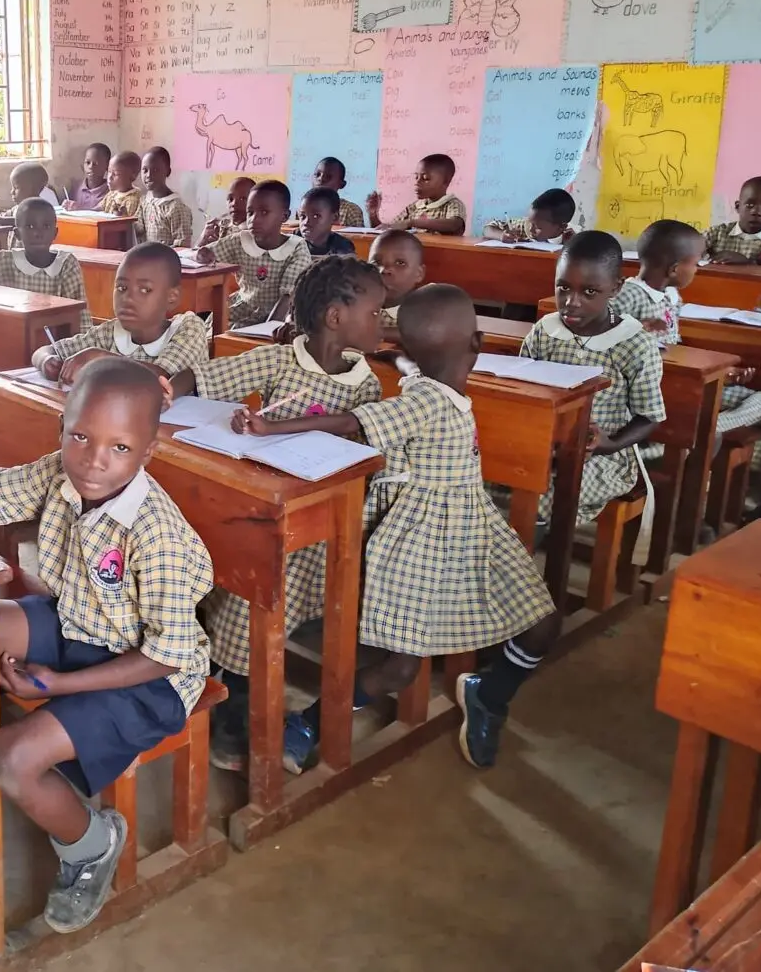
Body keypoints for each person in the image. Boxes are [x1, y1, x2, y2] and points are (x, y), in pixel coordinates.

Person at [0, 357, 213, 933]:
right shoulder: (63, 471)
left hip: (150, 677)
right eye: (80, 435)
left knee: (11, 758)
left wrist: (61, 685)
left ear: (149, 451)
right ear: (64, 427)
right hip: (82, 625)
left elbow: (164, 654)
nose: (94, 459)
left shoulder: (157, 535)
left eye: (120, 448)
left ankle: (90, 845)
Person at [234, 284, 561, 770]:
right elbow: (350, 422)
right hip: (422, 538)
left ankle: (488, 696)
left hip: (471, 522)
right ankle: (308, 723)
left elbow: (412, 373)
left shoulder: (427, 380)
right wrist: (270, 428)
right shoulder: (427, 401)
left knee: (543, 623)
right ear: (479, 343)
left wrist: (396, 359)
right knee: (401, 668)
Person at [169, 257, 385, 772]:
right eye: (376, 312)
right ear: (336, 318)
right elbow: (205, 376)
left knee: (277, 606)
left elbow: (365, 451)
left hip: (319, 525)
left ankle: (236, 680)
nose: (383, 321)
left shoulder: (366, 383)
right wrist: (167, 389)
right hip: (260, 514)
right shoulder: (279, 361)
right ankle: (233, 714)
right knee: (249, 602)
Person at [614, 219, 761, 522]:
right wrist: (638, 331)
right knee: (709, 432)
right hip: (662, 392)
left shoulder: (670, 295)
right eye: (695, 263)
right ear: (673, 268)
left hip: (686, 382)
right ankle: (687, 509)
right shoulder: (629, 295)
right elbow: (613, 342)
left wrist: (722, 373)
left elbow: (673, 347)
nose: (698, 269)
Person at [520, 231, 665, 533]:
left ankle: (527, 565)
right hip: (543, 445)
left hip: (606, 457)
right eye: (563, 288)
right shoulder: (544, 331)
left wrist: (608, 445)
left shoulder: (635, 344)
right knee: (492, 477)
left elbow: (649, 417)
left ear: (615, 288)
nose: (571, 303)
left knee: (544, 495)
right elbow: (524, 390)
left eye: (589, 292)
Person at [31, 242, 210, 383]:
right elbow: (45, 350)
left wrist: (101, 358)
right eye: (122, 287)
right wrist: (47, 361)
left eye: (145, 290)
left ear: (172, 297)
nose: (128, 298)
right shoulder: (110, 332)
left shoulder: (189, 329)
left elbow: (161, 378)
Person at [0, 198, 90, 331]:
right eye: (30, 226)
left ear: (55, 232)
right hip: (12, 334)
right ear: (17, 233)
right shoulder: (4, 260)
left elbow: (80, 318)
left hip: (56, 343)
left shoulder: (66, 264)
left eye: (46, 226)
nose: (38, 233)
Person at [193, 180, 309, 328]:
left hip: (278, 316)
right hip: (241, 309)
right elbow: (206, 253)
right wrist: (202, 254)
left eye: (264, 212)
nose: (254, 219)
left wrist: (266, 332)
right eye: (250, 212)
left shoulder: (296, 248)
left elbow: (287, 298)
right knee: (209, 333)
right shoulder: (241, 240)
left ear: (284, 216)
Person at [366, 154, 467, 236]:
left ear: (446, 182)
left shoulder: (452, 204)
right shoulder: (414, 207)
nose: (417, 182)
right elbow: (388, 231)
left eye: (425, 178)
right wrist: (373, 215)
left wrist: (411, 223)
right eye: (416, 177)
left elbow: (454, 225)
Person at [703, 176, 761, 265]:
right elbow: (689, 254)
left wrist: (747, 262)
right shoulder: (715, 233)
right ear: (738, 206)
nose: (756, 212)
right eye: (750, 205)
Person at [369, 230, 427, 336]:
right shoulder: (358, 302)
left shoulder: (427, 306)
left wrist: (377, 332)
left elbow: (424, 335)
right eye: (376, 263)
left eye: (400, 263)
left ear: (419, 274)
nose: (384, 270)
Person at [137, 147, 193, 247]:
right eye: (145, 170)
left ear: (168, 172)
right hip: (146, 259)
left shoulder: (176, 207)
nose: (149, 175)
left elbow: (183, 244)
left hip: (166, 261)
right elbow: (138, 229)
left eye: (155, 170)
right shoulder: (145, 201)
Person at [483, 188, 576, 245]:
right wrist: (501, 235)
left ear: (561, 227)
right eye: (530, 222)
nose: (531, 229)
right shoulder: (522, 228)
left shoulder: (571, 239)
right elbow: (487, 229)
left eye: (538, 228)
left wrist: (571, 245)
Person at [306, 156, 365, 228]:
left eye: (328, 177)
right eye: (317, 175)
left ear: (341, 184)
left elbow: (359, 238)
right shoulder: (305, 206)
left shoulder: (350, 210)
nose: (321, 179)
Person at [298, 188, 355, 258]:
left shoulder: (343, 246)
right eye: (302, 216)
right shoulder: (291, 241)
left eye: (316, 216)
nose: (306, 222)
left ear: (335, 217)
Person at [199, 176, 254, 245]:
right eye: (230, 199)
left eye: (242, 199)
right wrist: (203, 239)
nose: (233, 204)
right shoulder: (222, 227)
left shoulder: (255, 232)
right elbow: (194, 253)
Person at [64, 142, 111, 211]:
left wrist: (80, 209)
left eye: (95, 164)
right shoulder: (76, 188)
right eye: (88, 162)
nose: (91, 167)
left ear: (107, 166)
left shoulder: (110, 192)